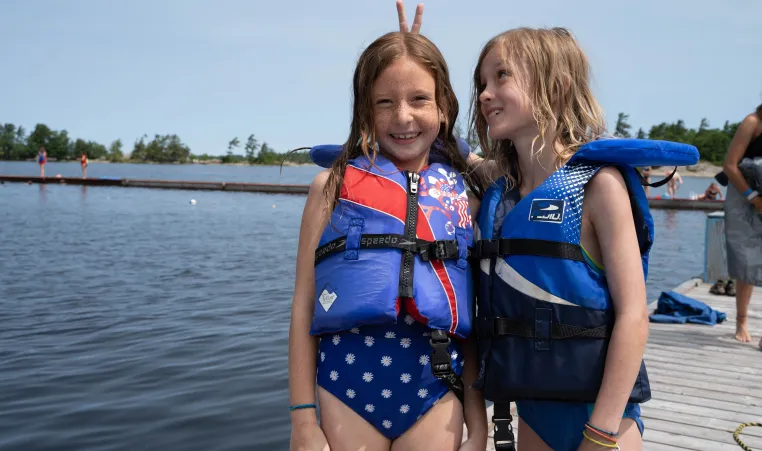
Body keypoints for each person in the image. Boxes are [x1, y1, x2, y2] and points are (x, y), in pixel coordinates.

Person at [396, 4, 697, 450]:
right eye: (481, 82)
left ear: (553, 86)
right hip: (532, 417)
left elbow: (635, 316)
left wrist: (602, 432)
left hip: (602, 420)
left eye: (502, 76)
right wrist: (411, 62)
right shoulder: (499, 190)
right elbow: (430, 143)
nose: (484, 93)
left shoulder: (599, 186)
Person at [288, 31, 488, 451]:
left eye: (420, 99)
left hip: (436, 389)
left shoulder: (464, 196)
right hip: (346, 387)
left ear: (444, 106)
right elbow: (303, 307)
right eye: (384, 102)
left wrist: (478, 422)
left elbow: (471, 314)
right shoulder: (330, 187)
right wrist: (303, 420)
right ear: (364, 109)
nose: (402, 117)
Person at [721, 103, 762, 344]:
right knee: (747, 258)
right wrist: (753, 197)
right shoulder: (753, 122)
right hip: (744, 194)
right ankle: (742, 321)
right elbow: (729, 165)